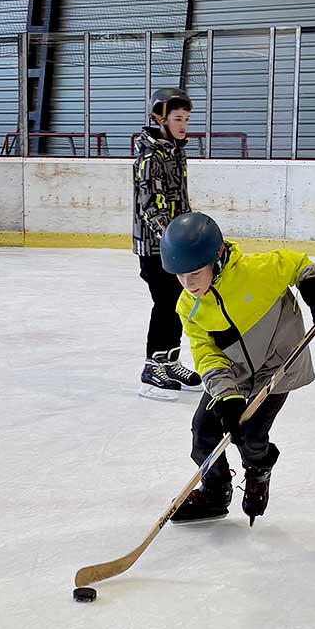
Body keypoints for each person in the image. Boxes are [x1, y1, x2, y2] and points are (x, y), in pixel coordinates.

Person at [158, 212, 315, 525]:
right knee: (203, 433)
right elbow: (207, 355)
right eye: (180, 276)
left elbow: (297, 264)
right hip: (235, 373)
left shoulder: (257, 271)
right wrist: (227, 397)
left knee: (252, 438)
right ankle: (215, 490)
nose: (188, 284)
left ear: (216, 258)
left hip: (276, 367)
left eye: (196, 273)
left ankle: (259, 470)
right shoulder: (188, 307)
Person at [132, 87, 202, 399]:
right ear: (160, 119)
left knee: (178, 302)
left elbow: (178, 201)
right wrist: (175, 240)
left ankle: (169, 361)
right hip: (156, 247)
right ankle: (152, 367)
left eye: (186, 119)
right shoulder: (150, 158)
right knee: (164, 303)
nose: (183, 125)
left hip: (174, 244)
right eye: (177, 119)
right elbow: (151, 209)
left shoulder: (175, 151)